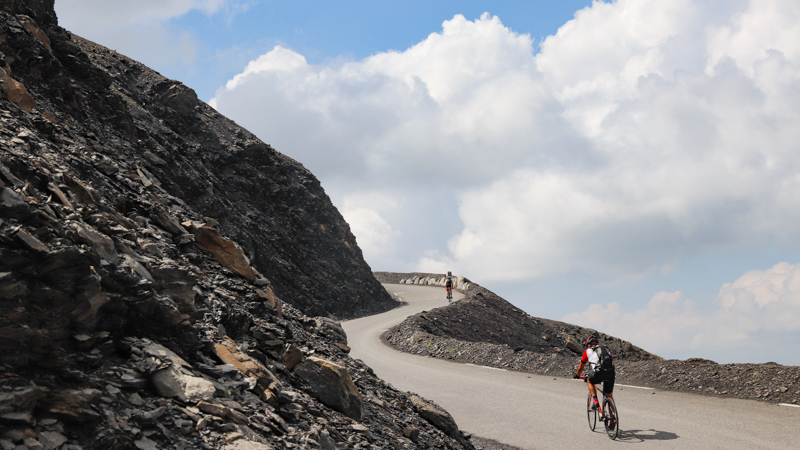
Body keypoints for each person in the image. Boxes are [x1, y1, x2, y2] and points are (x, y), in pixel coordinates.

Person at [574, 335, 615, 412]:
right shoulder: (605, 348)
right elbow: (613, 364)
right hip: (611, 373)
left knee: (589, 380)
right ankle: (612, 417)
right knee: (609, 395)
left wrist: (577, 375)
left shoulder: (588, 351)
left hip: (599, 373)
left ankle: (595, 401)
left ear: (589, 345)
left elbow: (580, 367)